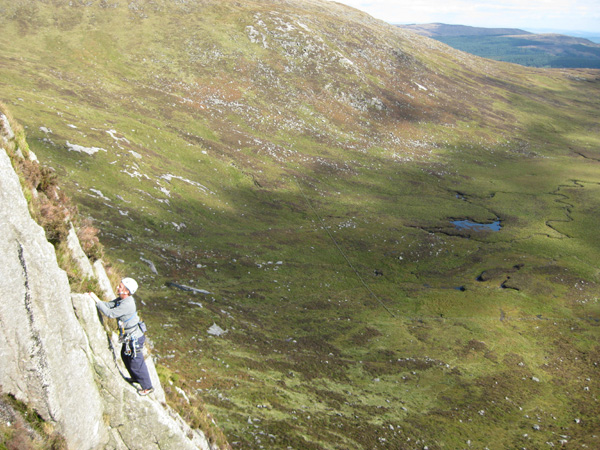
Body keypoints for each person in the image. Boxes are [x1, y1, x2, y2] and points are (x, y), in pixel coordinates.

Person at [89, 277, 154, 396]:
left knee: (136, 361)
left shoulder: (127, 304)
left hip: (134, 337)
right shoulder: (121, 300)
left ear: (127, 291)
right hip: (130, 336)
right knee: (124, 356)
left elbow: (110, 313)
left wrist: (97, 302)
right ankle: (135, 378)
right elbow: (109, 305)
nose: (118, 288)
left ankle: (147, 386)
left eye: (120, 287)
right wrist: (94, 299)